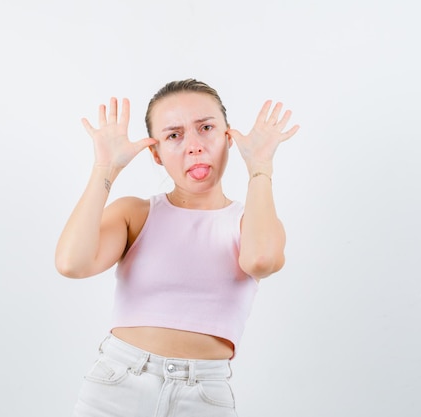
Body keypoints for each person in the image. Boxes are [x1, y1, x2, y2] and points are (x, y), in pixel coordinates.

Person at [55, 79, 299, 417]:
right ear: (155, 153)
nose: (195, 146)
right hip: (117, 385)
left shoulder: (250, 221)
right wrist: (105, 169)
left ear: (229, 136)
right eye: (174, 135)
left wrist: (260, 168)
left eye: (206, 128)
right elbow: (72, 263)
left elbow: (262, 260)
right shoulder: (135, 214)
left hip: (204, 396)